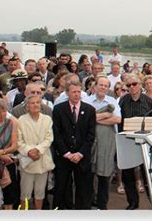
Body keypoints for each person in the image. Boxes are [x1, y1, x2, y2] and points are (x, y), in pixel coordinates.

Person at [52, 81, 96, 209]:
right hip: (64, 156)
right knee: (62, 187)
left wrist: (80, 153)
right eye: (73, 92)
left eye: (78, 92)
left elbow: (91, 135)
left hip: (82, 156)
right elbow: (56, 133)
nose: (76, 95)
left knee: (83, 188)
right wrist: (66, 153)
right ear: (67, 93)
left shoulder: (89, 110)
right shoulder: (59, 109)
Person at [118, 74, 152, 209]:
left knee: (147, 175)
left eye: (134, 84)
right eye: (128, 85)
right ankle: (133, 202)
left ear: (140, 85)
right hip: (127, 141)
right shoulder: (122, 101)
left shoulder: (149, 102)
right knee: (128, 175)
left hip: (144, 142)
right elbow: (119, 122)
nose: (132, 87)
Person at [86, 76, 121, 210]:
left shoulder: (112, 101)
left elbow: (117, 120)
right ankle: (88, 203)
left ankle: (102, 204)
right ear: (95, 86)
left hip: (107, 141)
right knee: (89, 173)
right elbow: (86, 119)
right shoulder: (87, 101)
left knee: (104, 175)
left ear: (108, 88)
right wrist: (106, 115)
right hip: (90, 141)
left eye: (105, 86)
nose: (103, 88)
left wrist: (95, 119)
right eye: (100, 85)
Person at [17, 95, 55, 210]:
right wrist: (29, 151)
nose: (35, 105)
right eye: (32, 103)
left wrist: (38, 150)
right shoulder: (21, 120)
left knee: (40, 192)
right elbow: (18, 141)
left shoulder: (47, 119)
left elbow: (49, 138)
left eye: (38, 102)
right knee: (25, 193)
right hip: (27, 161)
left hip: (42, 159)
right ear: (27, 106)